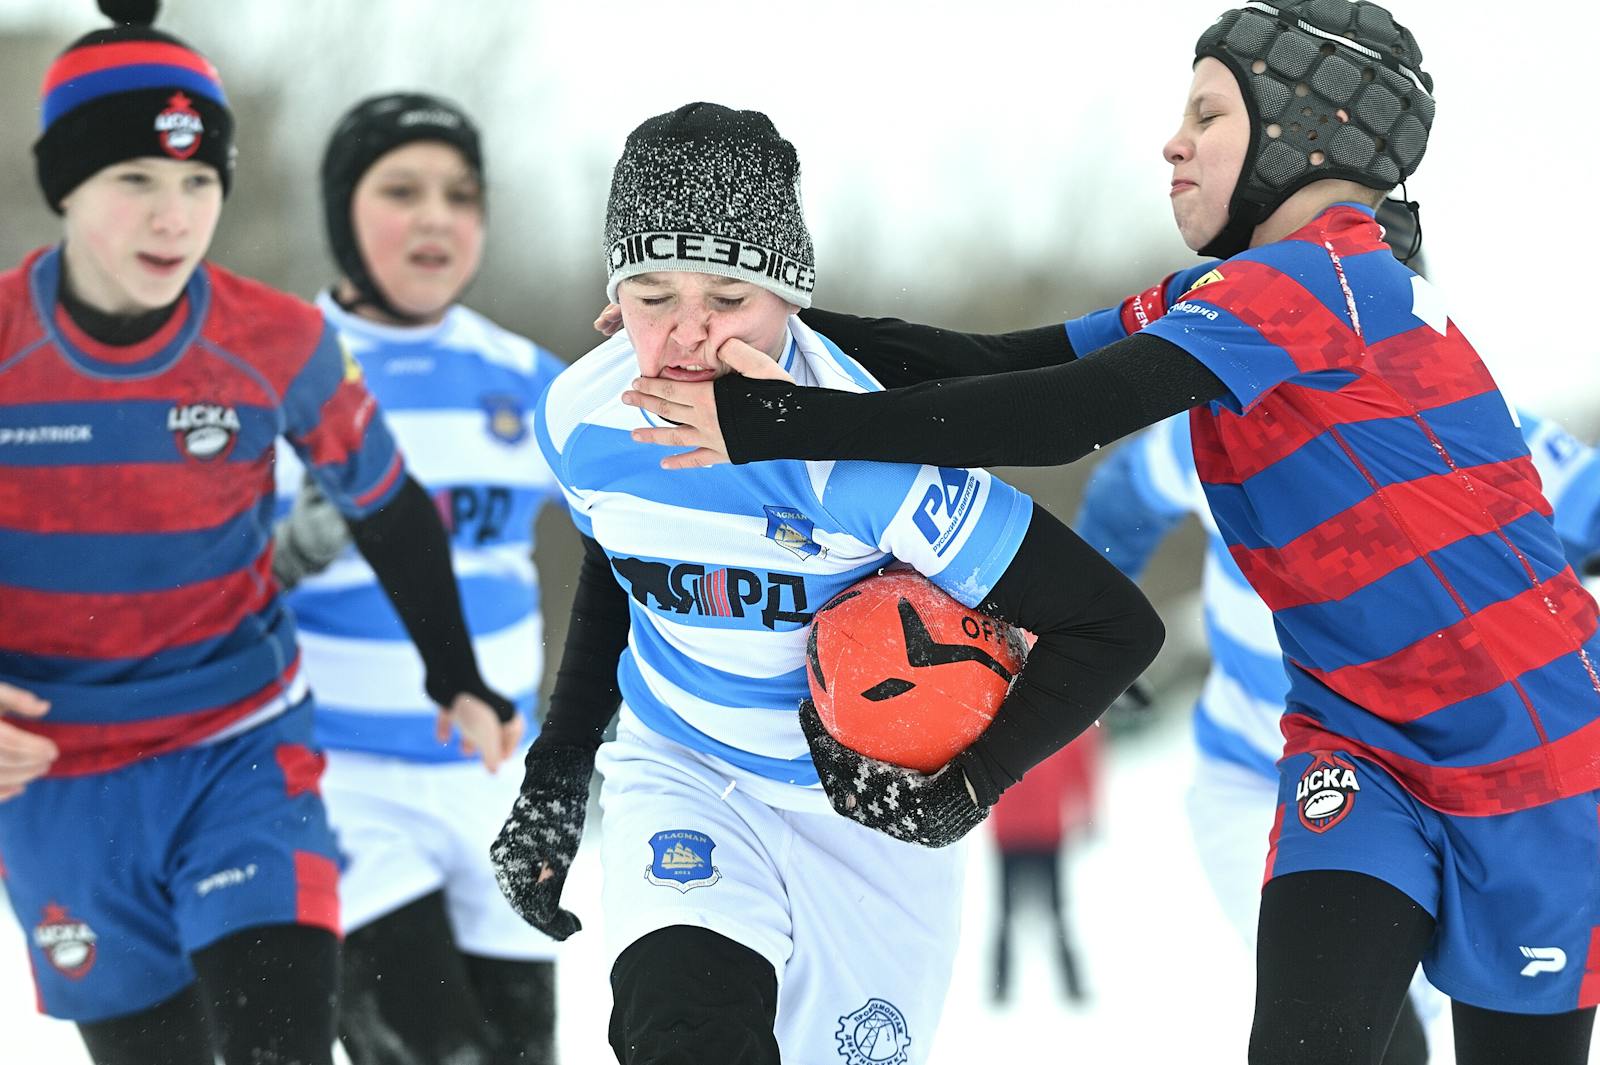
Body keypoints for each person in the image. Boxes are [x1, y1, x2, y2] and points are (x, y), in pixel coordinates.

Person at [618, 4, 1600, 1062]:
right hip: (1357, 748)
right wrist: (732, 313)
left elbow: (1059, 420)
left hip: (1537, 764)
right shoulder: (1220, 297)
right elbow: (996, 364)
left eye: (1208, 112)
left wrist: (780, 421)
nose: (1172, 141)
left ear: (1306, 136)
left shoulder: (1330, 279)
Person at [488, 102, 1164, 1065]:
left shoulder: (861, 451)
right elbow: (620, 564)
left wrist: (965, 788)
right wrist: (558, 769)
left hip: (869, 814)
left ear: (789, 300)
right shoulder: (580, 416)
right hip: (689, 775)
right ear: (612, 300)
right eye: (651, 294)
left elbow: (1110, 625)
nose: (686, 333)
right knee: (683, 1036)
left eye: (728, 297)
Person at [0, 6, 517, 1065]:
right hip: (57, 781)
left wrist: (454, 672)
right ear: (65, 186)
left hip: (239, 750)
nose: (172, 217)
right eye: (135, 180)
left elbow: (387, 504)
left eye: (199, 184)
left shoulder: (275, 341)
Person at [1072, 216, 1600, 1064]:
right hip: (1268, 778)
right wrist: (1102, 622)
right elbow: (1125, 496)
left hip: (1463, 791)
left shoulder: (1485, 434)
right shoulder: (1215, 419)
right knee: (1367, 1031)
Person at [271, 94, 567, 1065]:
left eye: (461, 193)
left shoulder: (528, 382)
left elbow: (659, 522)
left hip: (497, 782)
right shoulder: (271, 377)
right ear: (341, 212)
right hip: (341, 783)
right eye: (402, 190)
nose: (437, 215)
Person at [987, 729, 1098, 1006]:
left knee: (1020, 914)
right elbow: (1080, 765)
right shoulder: (1061, 719)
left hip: (1028, 829)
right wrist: (1088, 809)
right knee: (1032, 913)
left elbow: (1079, 764)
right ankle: (1005, 987)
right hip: (1028, 829)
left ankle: (1002, 987)